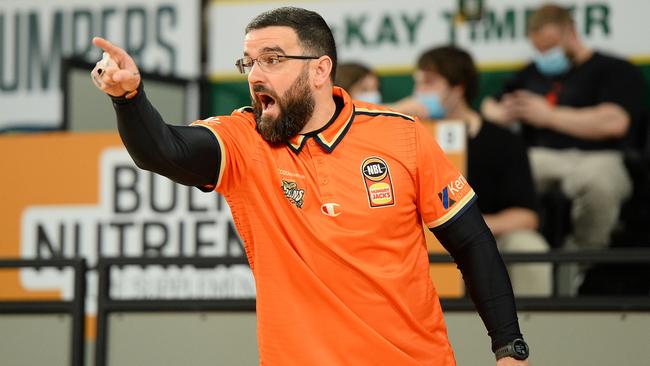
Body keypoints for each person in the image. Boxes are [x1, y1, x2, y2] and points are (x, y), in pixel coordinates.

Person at [90, 7, 530, 365]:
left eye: (273, 59)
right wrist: (128, 99)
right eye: (250, 61)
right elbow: (163, 150)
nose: (255, 74)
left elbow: (472, 241)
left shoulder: (402, 135)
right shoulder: (244, 139)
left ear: (321, 70)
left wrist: (509, 347)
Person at [481, 3, 645, 251]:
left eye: (550, 46)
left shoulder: (614, 69)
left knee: (599, 182)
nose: (546, 54)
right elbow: (489, 105)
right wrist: (503, 113)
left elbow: (614, 122)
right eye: (539, 49)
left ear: (571, 32)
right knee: (501, 172)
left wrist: (548, 116)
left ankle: (582, 258)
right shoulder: (530, 75)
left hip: (598, 157)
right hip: (540, 156)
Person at [392, 45, 552, 297]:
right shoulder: (406, 138)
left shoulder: (501, 141)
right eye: (418, 84)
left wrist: (465, 226)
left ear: (458, 88)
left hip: (482, 237)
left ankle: (522, 332)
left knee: (528, 245)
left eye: (430, 83)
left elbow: (526, 217)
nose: (419, 94)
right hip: (416, 241)